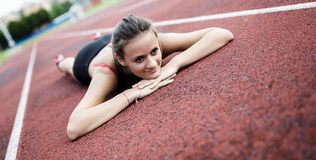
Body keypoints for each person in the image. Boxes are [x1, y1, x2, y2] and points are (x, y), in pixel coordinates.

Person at [56, 15, 234, 140]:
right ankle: (62, 62)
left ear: (157, 41)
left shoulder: (150, 41)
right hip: (88, 59)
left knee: (135, 46)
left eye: (154, 52)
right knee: (72, 70)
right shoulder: (106, 72)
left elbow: (222, 34)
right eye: (139, 59)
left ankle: (101, 38)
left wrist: (173, 64)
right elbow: (74, 127)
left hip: (117, 40)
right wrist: (131, 94)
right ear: (121, 59)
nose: (152, 64)